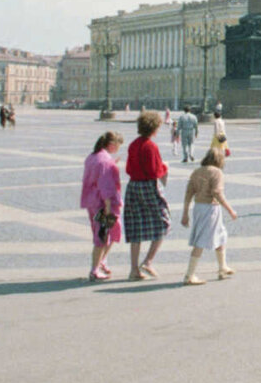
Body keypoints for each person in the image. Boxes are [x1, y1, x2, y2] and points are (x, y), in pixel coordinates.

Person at [180, 149, 239, 284]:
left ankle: (222, 267)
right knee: (201, 241)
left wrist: (185, 213)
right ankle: (189, 275)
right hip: (210, 208)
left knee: (221, 235)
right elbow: (217, 192)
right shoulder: (217, 172)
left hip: (199, 207)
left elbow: (189, 193)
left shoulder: (197, 171)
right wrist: (230, 210)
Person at [124, 110, 170, 279]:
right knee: (164, 222)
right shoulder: (151, 146)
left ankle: (133, 270)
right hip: (148, 186)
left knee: (135, 228)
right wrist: (165, 167)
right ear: (154, 127)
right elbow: (154, 171)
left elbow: (128, 168)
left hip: (133, 186)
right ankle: (148, 261)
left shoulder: (133, 144)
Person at [80, 130, 124, 282]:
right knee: (103, 235)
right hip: (104, 204)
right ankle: (95, 269)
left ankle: (101, 261)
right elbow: (106, 186)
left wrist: (112, 165)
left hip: (91, 201)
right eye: (118, 145)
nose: (119, 148)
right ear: (111, 144)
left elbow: (98, 176)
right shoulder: (105, 161)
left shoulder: (93, 157)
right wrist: (108, 208)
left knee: (108, 232)